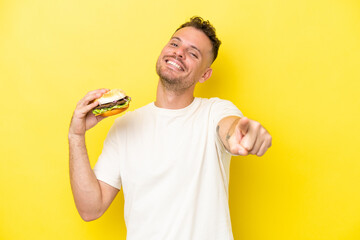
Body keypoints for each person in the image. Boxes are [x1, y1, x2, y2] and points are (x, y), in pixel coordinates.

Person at [69, 16, 272, 240]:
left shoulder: (214, 112)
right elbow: (90, 209)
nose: (179, 53)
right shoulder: (125, 126)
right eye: (175, 44)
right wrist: (76, 135)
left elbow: (230, 130)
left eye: (193, 53)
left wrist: (243, 134)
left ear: (205, 74)